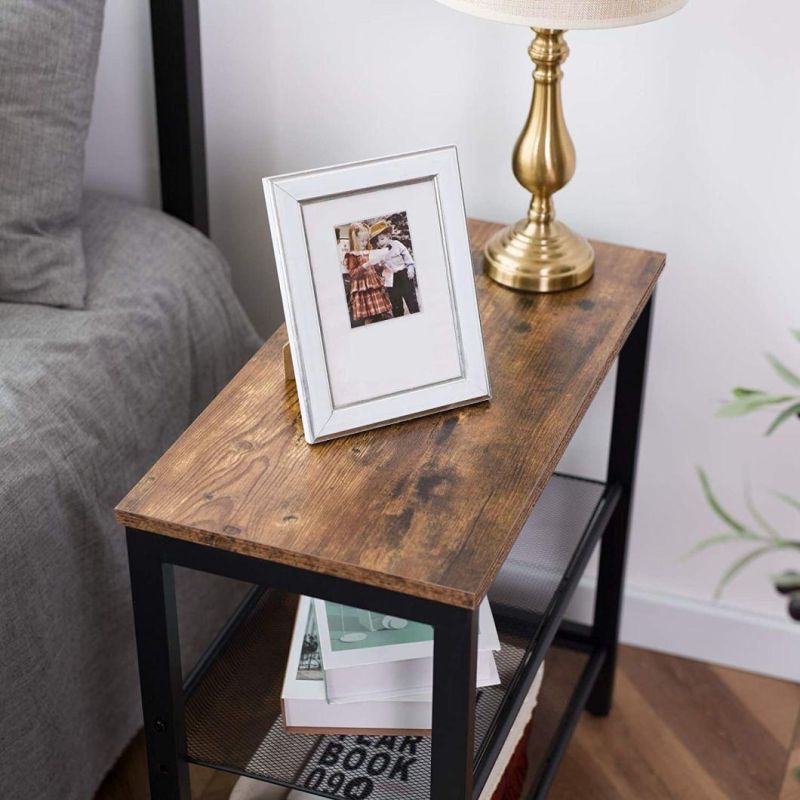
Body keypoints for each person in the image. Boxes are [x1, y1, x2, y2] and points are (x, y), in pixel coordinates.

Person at [343, 222, 392, 326]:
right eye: (362, 241)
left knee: (381, 313)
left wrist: (380, 264)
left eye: (366, 240)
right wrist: (365, 265)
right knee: (369, 317)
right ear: (354, 239)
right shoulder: (352, 255)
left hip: (373, 286)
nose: (365, 243)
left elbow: (374, 268)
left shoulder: (368, 252)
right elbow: (353, 274)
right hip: (363, 289)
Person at [369, 220, 420, 318]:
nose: (379, 243)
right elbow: (378, 269)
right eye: (377, 241)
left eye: (382, 239)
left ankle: (416, 316)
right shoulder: (378, 252)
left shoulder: (397, 244)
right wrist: (380, 265)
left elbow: (407, 257)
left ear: (388, 236)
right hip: (390, 278)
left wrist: (410, 269)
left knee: (411, 300)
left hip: (403, 275)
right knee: (396, 304)